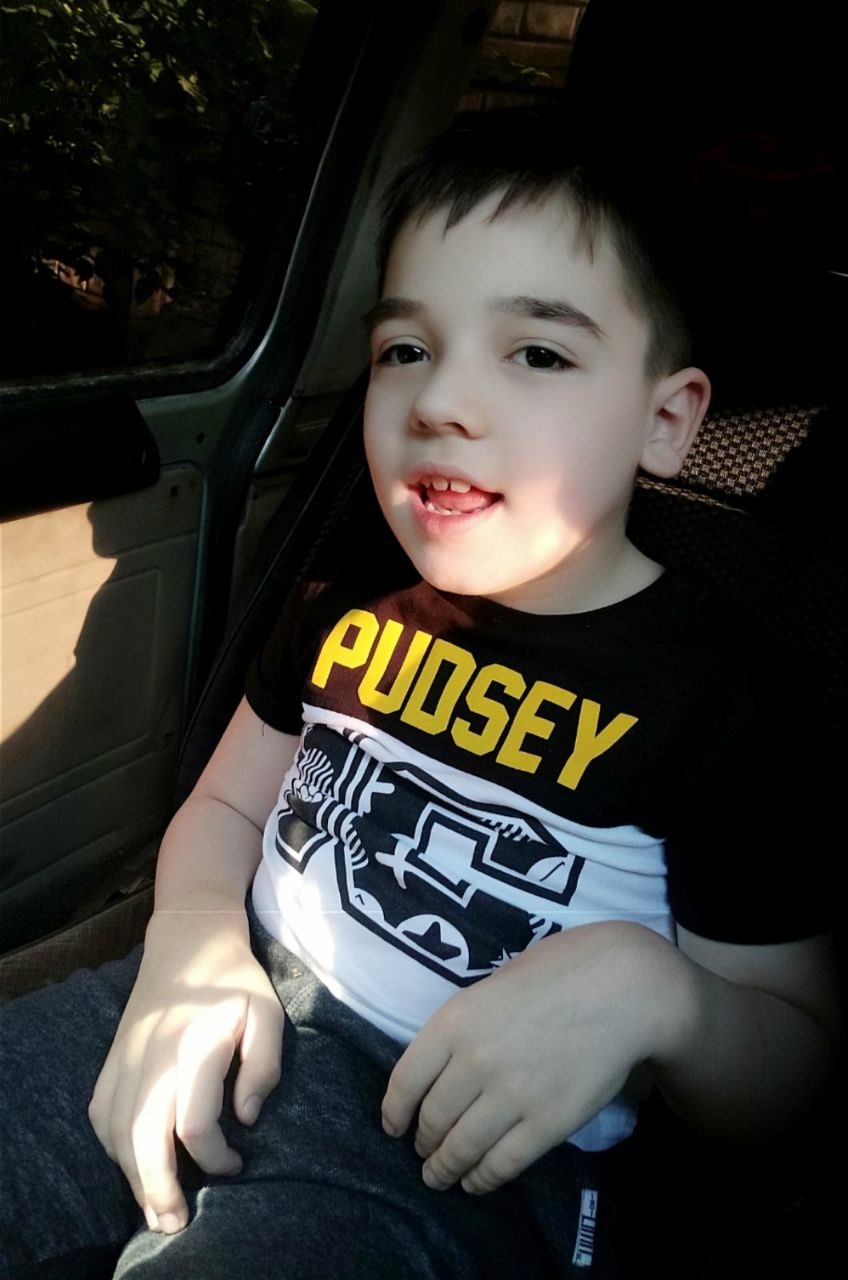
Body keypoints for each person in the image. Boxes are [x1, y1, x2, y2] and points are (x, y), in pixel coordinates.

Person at [0, 117, 838, 1279]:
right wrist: (190, 936)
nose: (440, 398)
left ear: (664, 419)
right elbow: (227, 806)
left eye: (535, 353)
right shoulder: (345, 597)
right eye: (404, 348)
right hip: (219, 997)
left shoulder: (718, 697)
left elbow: (794, 1073)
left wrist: (660, 994)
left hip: (450, 1151)